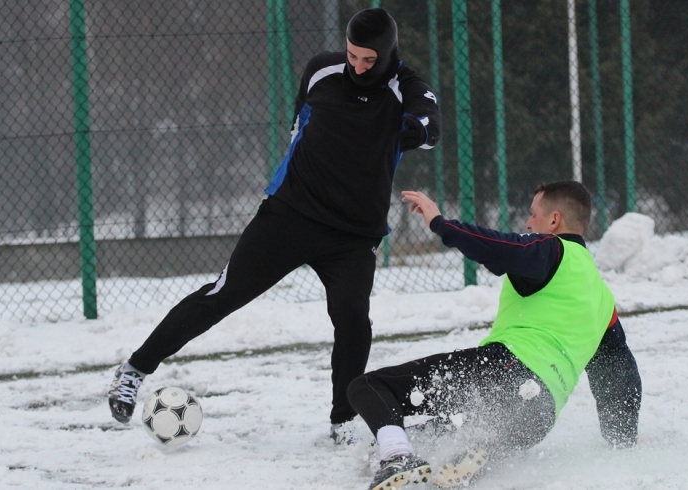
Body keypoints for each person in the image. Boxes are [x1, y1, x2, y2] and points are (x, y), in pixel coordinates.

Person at [107, 8, 441, 443]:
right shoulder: (322, 69)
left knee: (352, 317)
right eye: (353, 56)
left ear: (389, 53)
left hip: (354, 232)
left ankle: (343, 420)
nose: (359, 67)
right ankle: (134, 369)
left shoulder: (407, 87)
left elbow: (431, 128)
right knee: (221, 295)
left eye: (369, 60)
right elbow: (300, 117)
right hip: (291, 215)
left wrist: (413, 130)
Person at [347, 181, 642, 490]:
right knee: (455, 433)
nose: (528, 223)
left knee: (368, 387)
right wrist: (622, 440)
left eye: (532, 214)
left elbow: (501, 246)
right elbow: (620, 377)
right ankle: (478, 451)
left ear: (554, 220)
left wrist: (440, 223)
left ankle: (397, 457)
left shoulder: (552, 249)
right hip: (539, 413)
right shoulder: (603, 298)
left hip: (505, 371)